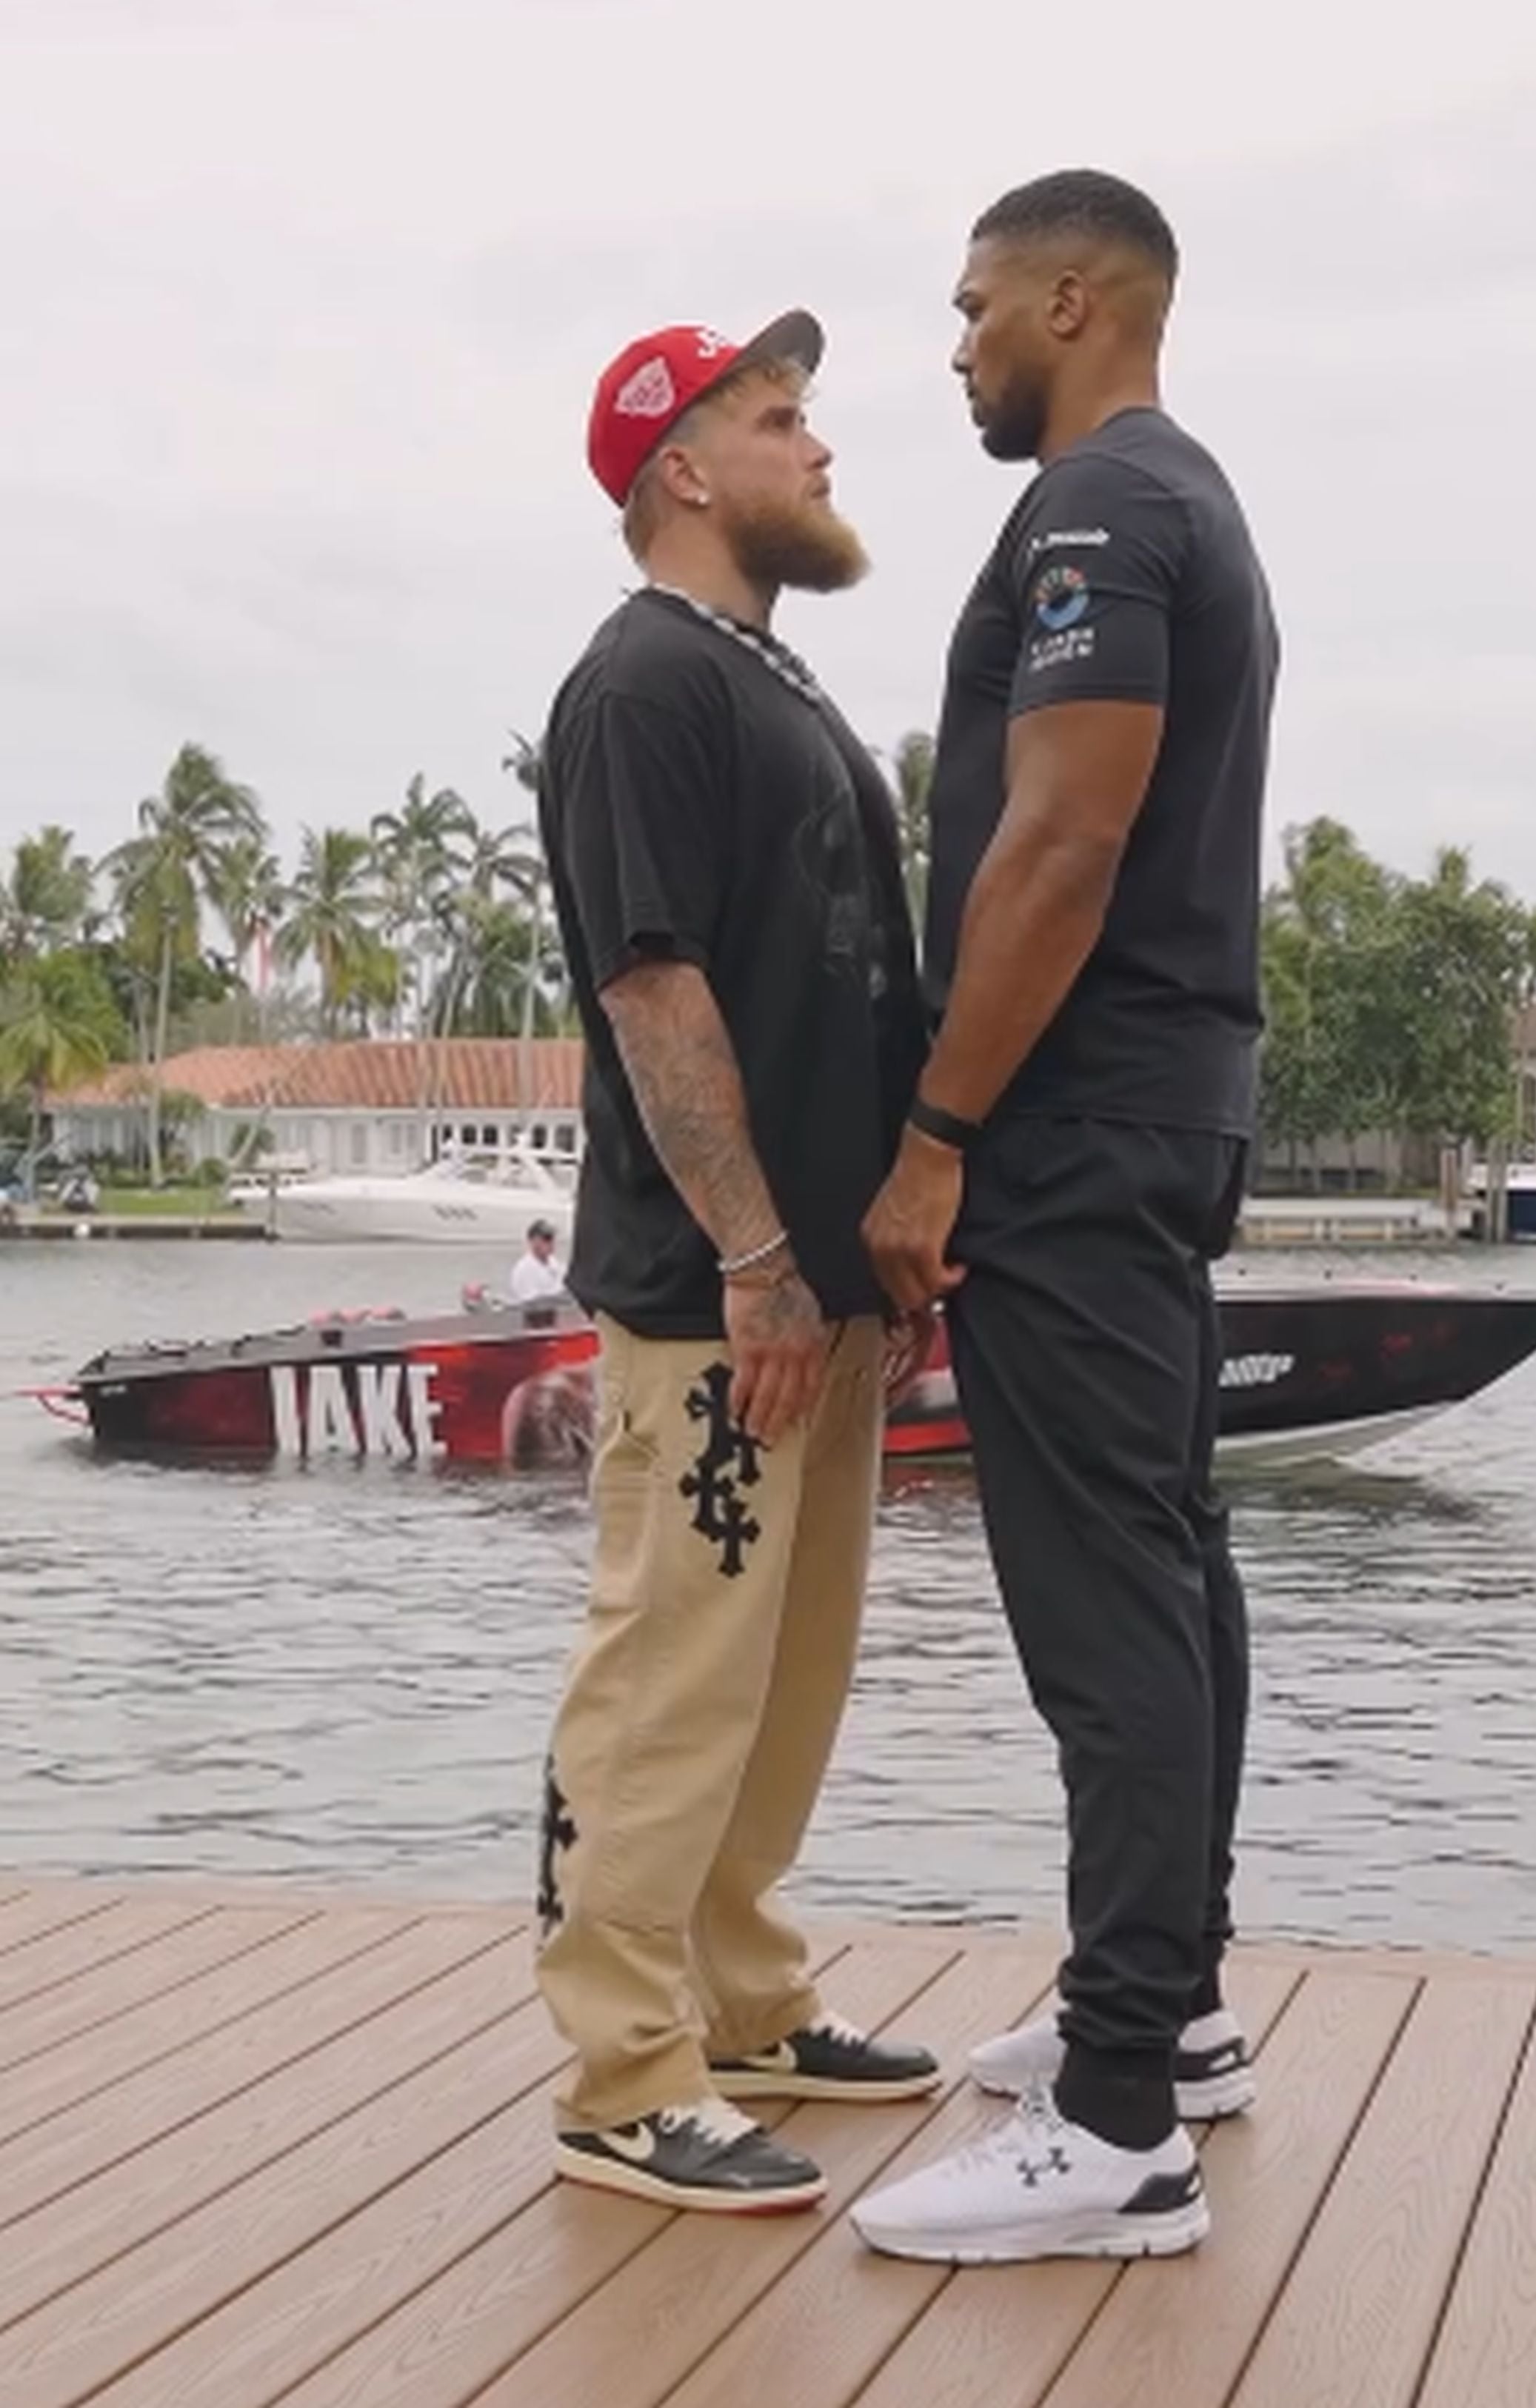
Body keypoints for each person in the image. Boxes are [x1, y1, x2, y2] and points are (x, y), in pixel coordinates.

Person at [854, 171, 1278, 2264]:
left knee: (1105, 1607)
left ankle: (1118, 2121)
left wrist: (939, 1131)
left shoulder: (1108, 514)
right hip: (1156, 1113)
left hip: (1076, 1127)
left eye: (973, 308)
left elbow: (1063, 836)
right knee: (1171, 1555)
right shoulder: (1172, 504)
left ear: (1075, 298)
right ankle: (1173, 2014)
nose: (954, 347)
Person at [533, 309, 938, 2216]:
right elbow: (649, 983)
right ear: (679, 470)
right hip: (721, 1293)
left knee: (788, 1668)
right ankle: (625, 2066)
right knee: (673, 1667)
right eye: (779, 421)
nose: (818, 445)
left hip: (828, 1285)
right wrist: (759, 1256)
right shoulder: (642, 688)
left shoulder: (774, 686)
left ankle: (741, 1994)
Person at [508, 1217, 567, 1303]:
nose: (551, 1243)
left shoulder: (554, 1263)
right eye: (547, 1238)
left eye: (553, 1238)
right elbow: (532, 1303)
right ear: (532, 1241)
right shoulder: (523, 1269)